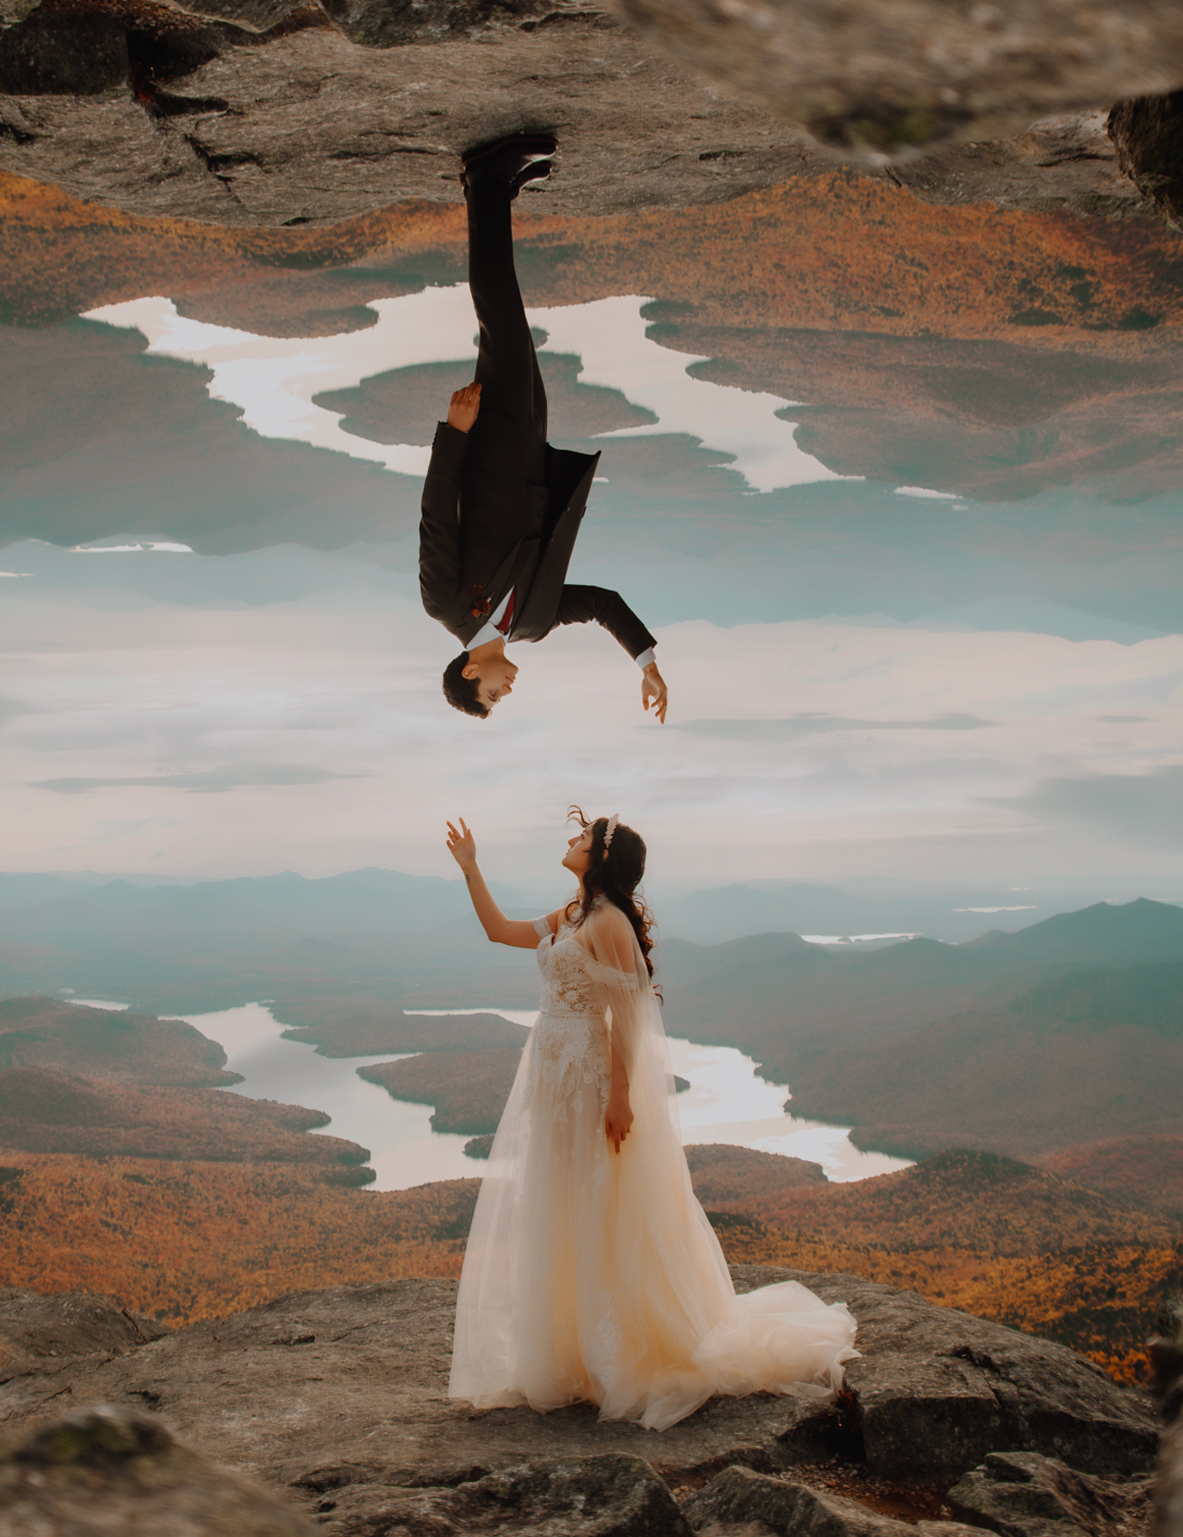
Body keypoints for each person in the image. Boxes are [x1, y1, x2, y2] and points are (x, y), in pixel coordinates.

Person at [442, 807, 859, 1431]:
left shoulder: (607, 923)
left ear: (601, 858)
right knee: (556, 1199)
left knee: (595, 1201)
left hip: (586, 1075)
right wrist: (472, 869)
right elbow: (500, 931)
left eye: (581, 837)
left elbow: (629, 1014)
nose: (570, 840)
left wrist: (620, 1095)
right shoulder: (573, 913)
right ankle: (568, 1352)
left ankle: (610, 1355)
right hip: (551, 1073)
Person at [420, 135, 669, 723]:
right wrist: (647, 661)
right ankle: (493, 197)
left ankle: (484, 179)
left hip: (488, 438)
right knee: (511, 323)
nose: (508, 691)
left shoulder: (445, 605)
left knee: (501, 316)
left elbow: (436, 512)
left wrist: (455, 432)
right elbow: (603, 604)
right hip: (532, 446)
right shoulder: (531, 623)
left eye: (493, 694)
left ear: (470, 672)